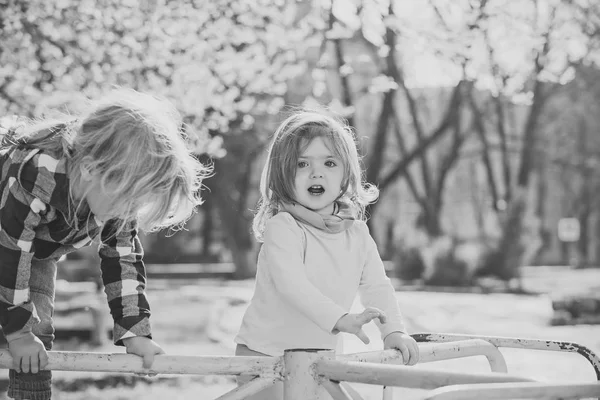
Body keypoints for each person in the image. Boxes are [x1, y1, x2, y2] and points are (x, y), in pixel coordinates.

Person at [0, 88, 210, 400]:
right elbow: (12, 251)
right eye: (130, 200)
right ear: (90, 170)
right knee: (21, 329)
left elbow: (122, 261)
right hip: (10, 237)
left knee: (37, 332)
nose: (131, 211)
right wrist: (17, 332)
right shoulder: (37, 174)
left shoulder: (113, 197)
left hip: (35, 250)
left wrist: (135, 332)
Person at [234, 110, 419, 399]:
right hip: (266, 356)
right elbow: (291, 286)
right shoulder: (284, 227)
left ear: (346, 173)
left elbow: (377, 287)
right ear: (282, 173)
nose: (316, 173)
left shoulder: (357, 233)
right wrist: (340, 318)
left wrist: (393, 331)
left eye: (329, 163)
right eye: (302, 164)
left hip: (319, 361)